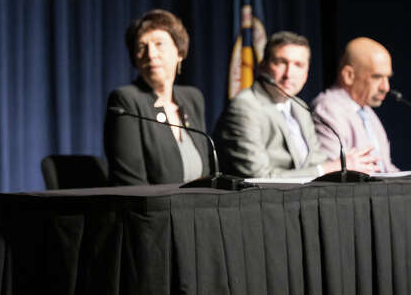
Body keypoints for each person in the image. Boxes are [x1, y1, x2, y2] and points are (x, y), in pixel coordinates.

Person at [214, 31, 378, 179]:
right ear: (263, 66)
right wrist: (328, 168)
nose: (289, 74)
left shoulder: (299, 107)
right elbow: (259, 177)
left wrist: (343, 167)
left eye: (298, 65)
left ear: (306, 73)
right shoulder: (245, 107)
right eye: (281, 62)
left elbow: (316, 161)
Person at [104, 9, 210, 185]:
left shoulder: (193, 98)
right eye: (141, 47)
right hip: (151, 211)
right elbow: (130, 186)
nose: (151, 54)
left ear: (180, 53)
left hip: (198, 209)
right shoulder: (126, 101)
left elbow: (207, 174)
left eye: (159, 44)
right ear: (135, 59)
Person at [311, 37, 399, 172]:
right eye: (377, 77)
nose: (385, 87)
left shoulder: (367, 112)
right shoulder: (328, 109)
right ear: (349, 75)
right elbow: (335, 174)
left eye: (387, 78)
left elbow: (386, 169)